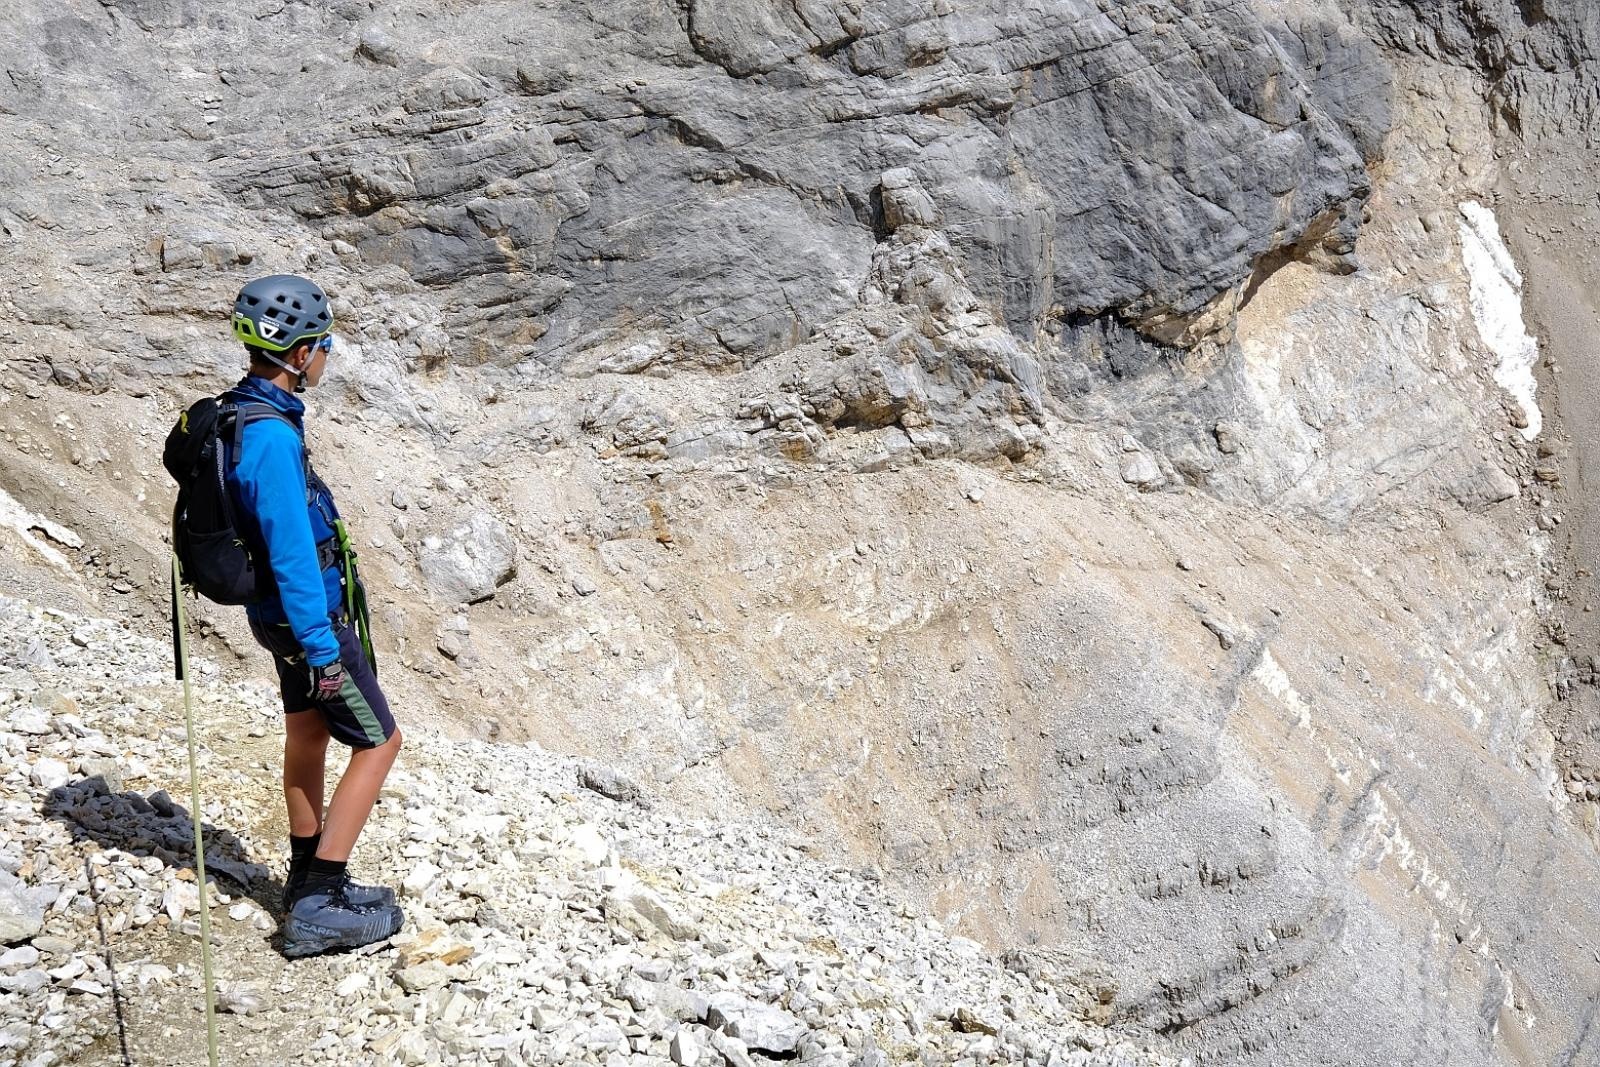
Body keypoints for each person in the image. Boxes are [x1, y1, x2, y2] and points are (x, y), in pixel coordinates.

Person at [224, 274, 404, 957]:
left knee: (307, 730)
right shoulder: (272, 439)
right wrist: (322, 647)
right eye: (322, 343)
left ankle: (305, 879)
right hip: (308, 623)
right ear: (298, 355)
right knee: (380, 741)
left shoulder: (243, 412)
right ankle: (320, 900)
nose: (327, 354)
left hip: (274, 618)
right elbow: (296, 554)